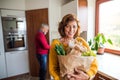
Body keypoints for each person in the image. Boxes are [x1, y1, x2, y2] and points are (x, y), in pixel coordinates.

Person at [49, 14, 98, 80]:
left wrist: (88, 76)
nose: (71, 30)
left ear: (77, 27)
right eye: (68, 26)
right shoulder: (56, 44)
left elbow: (94, 63)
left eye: (74, 26)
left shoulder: (81, 41)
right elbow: (53, 68)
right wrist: (60, 78)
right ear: (63, 27)